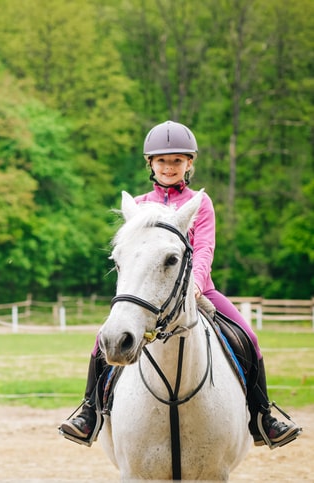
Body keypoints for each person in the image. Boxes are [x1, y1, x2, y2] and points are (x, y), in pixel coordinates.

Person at [59, 120, 302, 449]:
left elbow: (204, 248)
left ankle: (263, 418)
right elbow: (133, 256)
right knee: (104, 339)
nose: (169, 167)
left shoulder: (201, 203)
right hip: (149, 293)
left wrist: (198, 284)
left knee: (248, 336)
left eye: (176, 160)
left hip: (199, 290)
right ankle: (90, 413)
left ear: (189, 164)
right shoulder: (140, 205)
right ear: (151, 164)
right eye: (162, 161)